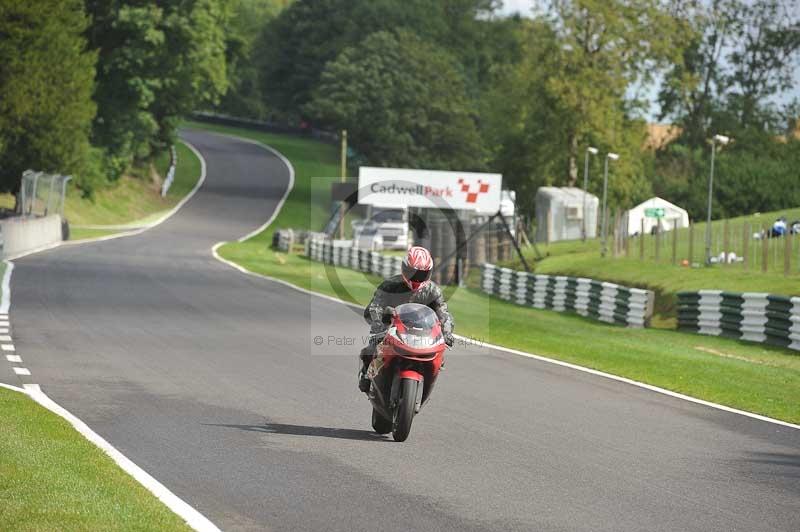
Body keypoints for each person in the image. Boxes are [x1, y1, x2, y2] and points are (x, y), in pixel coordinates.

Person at [358, 246, 455, 392]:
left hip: (421, 334)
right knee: (371, 349)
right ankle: (367, 375)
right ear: (404, 269)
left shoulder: (433, 291)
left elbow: (444, 314)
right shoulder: (390, 285)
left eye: (421, 274)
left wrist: (446, 332)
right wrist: (379, 325)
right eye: (413, 272)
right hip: (391, 329)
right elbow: (374, 307)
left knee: (439, 356)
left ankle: (427, 380)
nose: (416, 278)